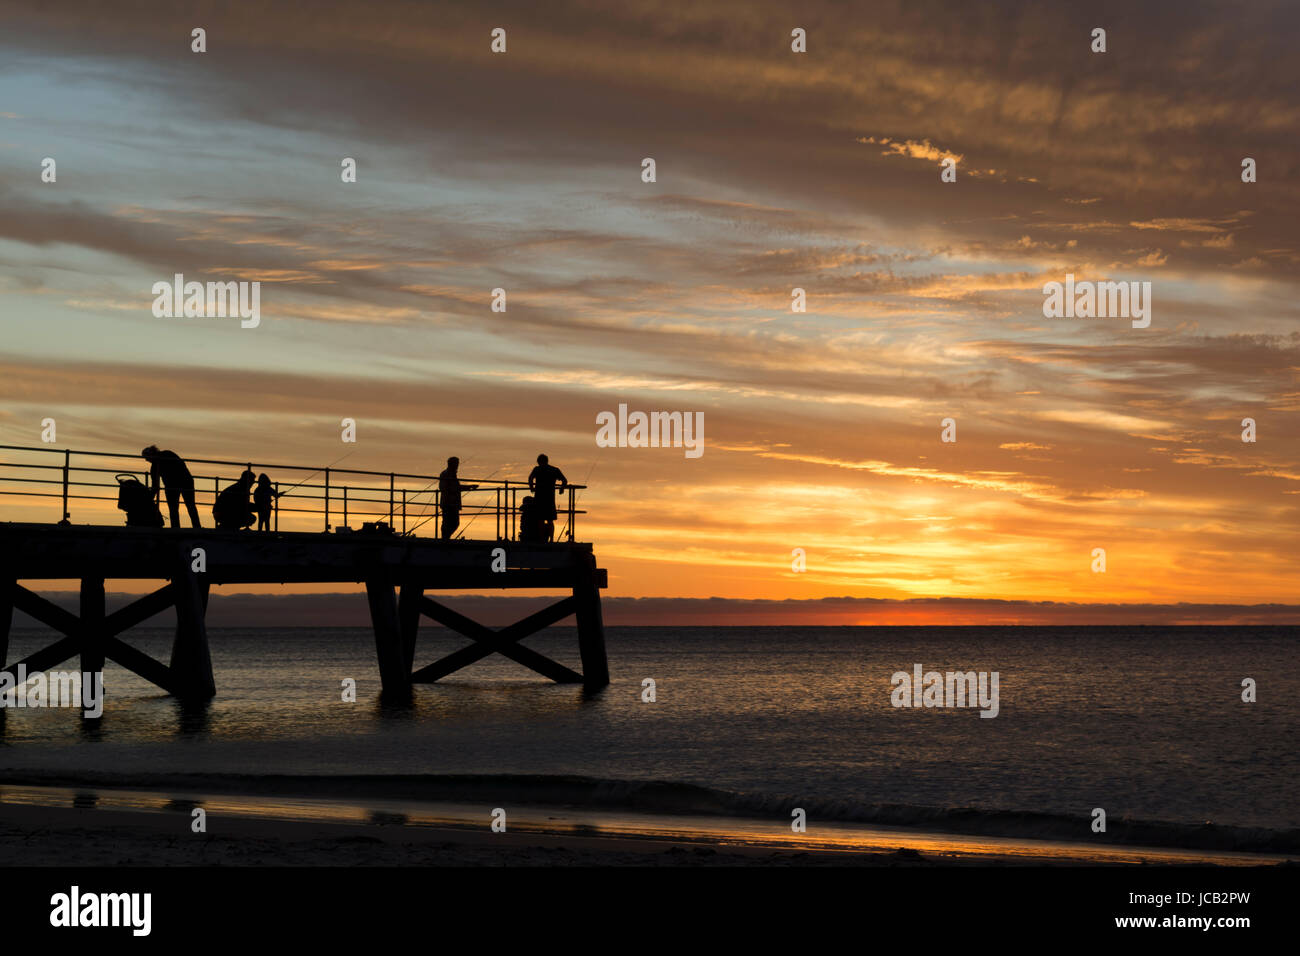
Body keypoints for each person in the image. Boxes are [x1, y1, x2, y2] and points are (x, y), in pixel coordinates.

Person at [141, 445, 201, 528]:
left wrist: (149, 497)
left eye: (147, 458)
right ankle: (193, 527)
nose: (147, 460)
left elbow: (155, 485)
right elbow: (155, 485)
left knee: (183, 507)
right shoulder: (163, 459)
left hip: (180, 483)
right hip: (181, 483)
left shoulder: (166, 456)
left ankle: (183, 527)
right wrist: (149, 498)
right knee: (184, 507)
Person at [527, 454, 568, 542]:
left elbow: (530, 478)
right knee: (550, 521)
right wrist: (562, 488)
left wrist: (531, 488)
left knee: (540, 520)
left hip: (539, 498)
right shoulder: (554, 470)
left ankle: (541, 539)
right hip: (550, 499)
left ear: (539, 462)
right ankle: (551, 539)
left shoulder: (537, 469)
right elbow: (565, 480)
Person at [437, 457, 478, 540]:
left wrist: (469, 487)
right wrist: (469, 487)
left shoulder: (446, 473)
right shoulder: (448, 474)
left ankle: (445, 538)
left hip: (448, 503)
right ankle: (445, 538)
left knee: (448, 522)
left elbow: (454, 487)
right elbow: (455, 487)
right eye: (456, 464)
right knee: (453, 523)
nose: (457, 466)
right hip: (450, 503)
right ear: (452, 464)